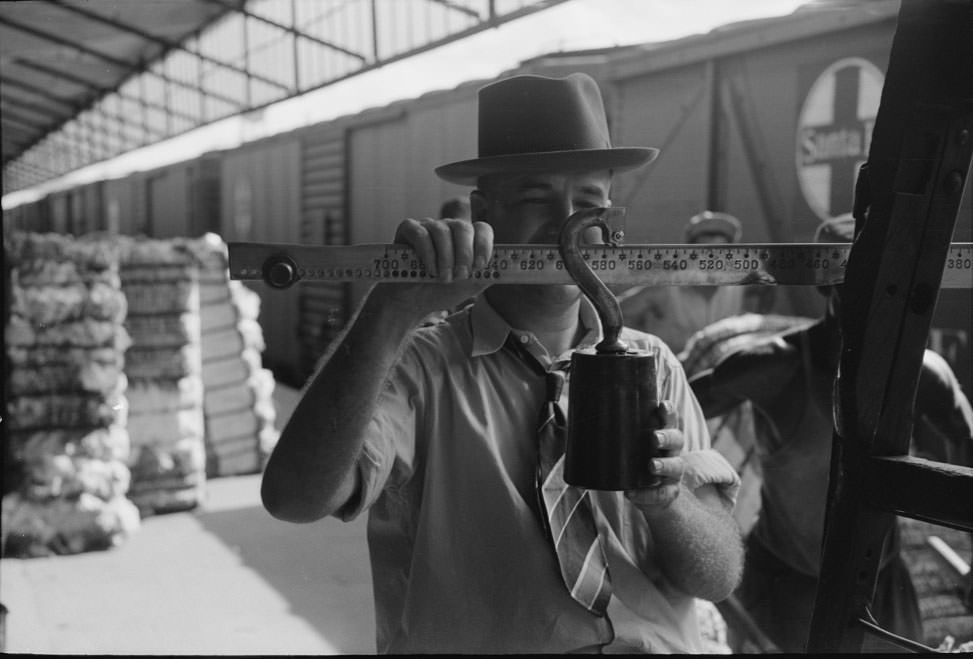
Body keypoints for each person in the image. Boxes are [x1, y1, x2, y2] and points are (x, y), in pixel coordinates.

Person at [261, 72, 744, 653]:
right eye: (537, 198)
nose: (567, 225)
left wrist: (667, 501)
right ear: (482, 213)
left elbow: (717, 578)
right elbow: (293, 498)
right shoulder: (419, 369)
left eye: (587, 203)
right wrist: (390, 311)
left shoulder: (653, 365)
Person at [688, 213, 973, 653]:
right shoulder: (772, 367)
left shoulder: (920, 373)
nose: (877, 300)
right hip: (784, 589)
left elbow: (967, 443)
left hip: (880, 585)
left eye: (888, 285)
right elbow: (670, 410)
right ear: (824, 285)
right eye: (854, 283)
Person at [616, 210, 775, 354]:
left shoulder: (739, 288)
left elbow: (768, 288)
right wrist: (640, 345)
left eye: (722, 253)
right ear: (689, 254)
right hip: (674, 376)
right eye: (705, 253)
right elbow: (616, 313)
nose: (713, 261)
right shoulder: (665, 287)